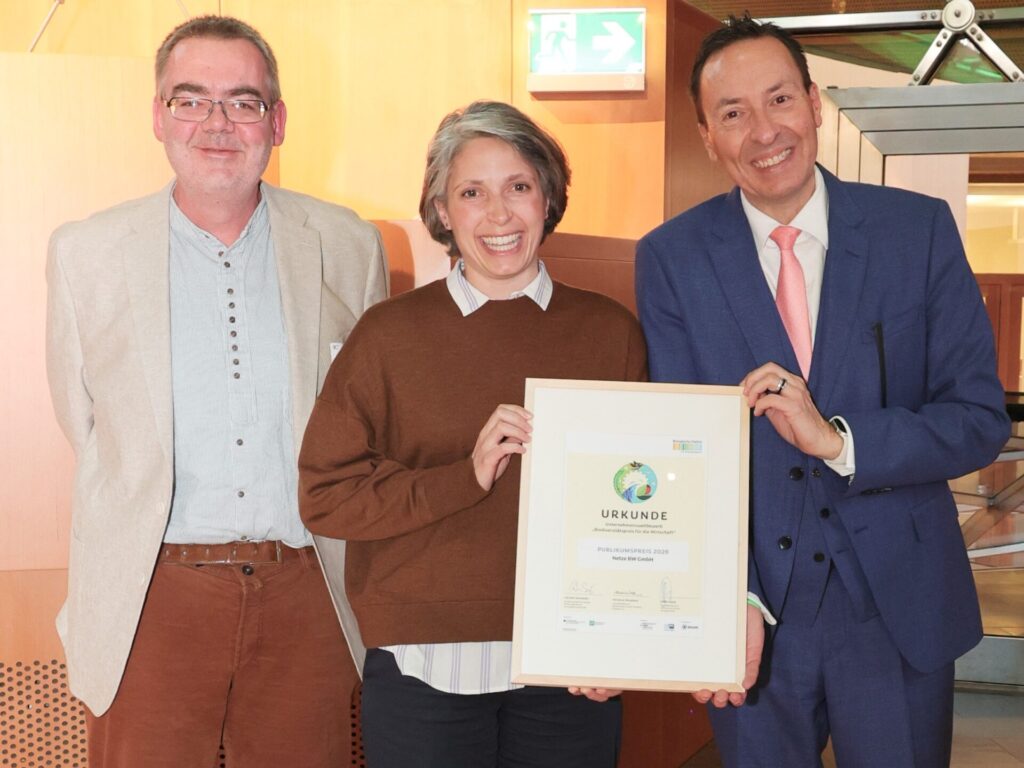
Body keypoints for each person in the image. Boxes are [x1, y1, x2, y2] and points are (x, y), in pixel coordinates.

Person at [635, 16, 1009, 768]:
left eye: (778, 100)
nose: (763, 130)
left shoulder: (918, 232)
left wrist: (841, 442)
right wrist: (728, 598)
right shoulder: (670, 258)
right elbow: (677, 448)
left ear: (812, 102)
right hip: (754, 612)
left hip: (897, 606)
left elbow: (977, 419)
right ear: (707, 135)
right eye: (733, 113)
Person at [45, 15, 387, 768]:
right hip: (150, 594)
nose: (218, 124)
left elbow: (371, 425)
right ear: (159, 116)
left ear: (278, 120)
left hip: (308, 591)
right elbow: (89, 424)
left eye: (244, 101)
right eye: (192, 99)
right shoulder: (87, 254)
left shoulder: (349, 245)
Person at [298, 100, 644, 768]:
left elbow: (637, 504)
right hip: (425, 667)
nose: (499, 215)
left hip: (570, 663)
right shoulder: (388, 336)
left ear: (548, 195)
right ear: (442, 211)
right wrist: (466, 476)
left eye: (518, 187)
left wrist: (620, 638)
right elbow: (326, 497)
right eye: (472, 193)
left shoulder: (609, 331)